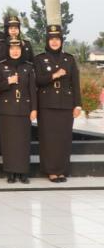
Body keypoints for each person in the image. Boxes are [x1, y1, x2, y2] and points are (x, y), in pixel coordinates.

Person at [34, 24, 82, 182]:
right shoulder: (39, 59)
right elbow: (38, 80)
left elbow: (75, 82)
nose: (54, 42)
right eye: (51, 39)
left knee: (64, 138)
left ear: (61, 41)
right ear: (47, 41)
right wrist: (54, 75)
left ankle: (62, 170)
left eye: (57, 39)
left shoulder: (69, 58)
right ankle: (51, 171)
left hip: (66, 104)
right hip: (47, 104)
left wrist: (77, 104)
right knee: (48, 138)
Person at [0, 38, 37, 183]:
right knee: (8, 142)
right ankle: (11, 172)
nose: (15, 51)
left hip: (24, 108)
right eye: (12, 49)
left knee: (23, 141)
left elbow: (32, 90)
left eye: (18, 48)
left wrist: (34, 109)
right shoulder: (1, 66)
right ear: (8, 50)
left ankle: (23, 172)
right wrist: (8, 82)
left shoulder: (28, 67)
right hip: (7, 109)